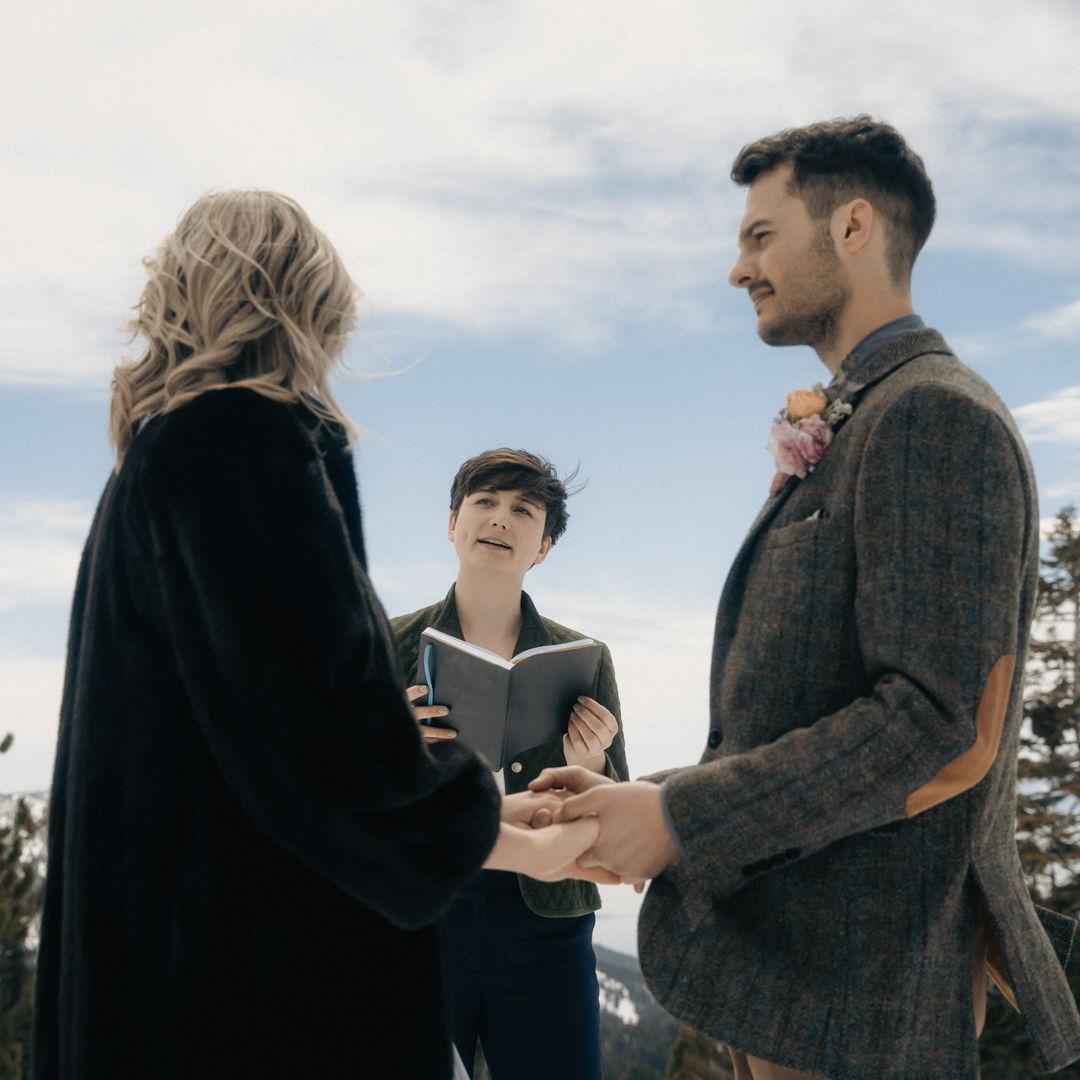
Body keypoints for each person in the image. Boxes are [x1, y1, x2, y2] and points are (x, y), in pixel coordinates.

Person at [533, 117, 1080, 1079]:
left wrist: (677, 824)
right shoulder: (866, 414)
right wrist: (649, 795)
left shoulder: (934, 416)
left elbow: (936, 724)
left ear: (854, 227)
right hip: (797, 991)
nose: (737, 268)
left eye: (759, 235)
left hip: (860, 1003)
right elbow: (806, 705)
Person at [32, 191, 598, 1080]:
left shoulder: (158, 453)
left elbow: (256, 725)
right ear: (303, 298)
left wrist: (492, 812)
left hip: (163, 965)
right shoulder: (244, 446)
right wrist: (516, 840)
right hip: (250, 983)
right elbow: (320, 750)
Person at [390, 448, 629, 1080]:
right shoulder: (386, 646)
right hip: (421, 922)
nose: (501, 519)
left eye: (523, 510)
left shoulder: (586, 659)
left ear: (543, 547)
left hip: (547, 925)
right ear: (452, 523)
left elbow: (619, 810)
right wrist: (391, 748)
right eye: (485, 502)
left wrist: (594, 765)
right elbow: (334, 797)